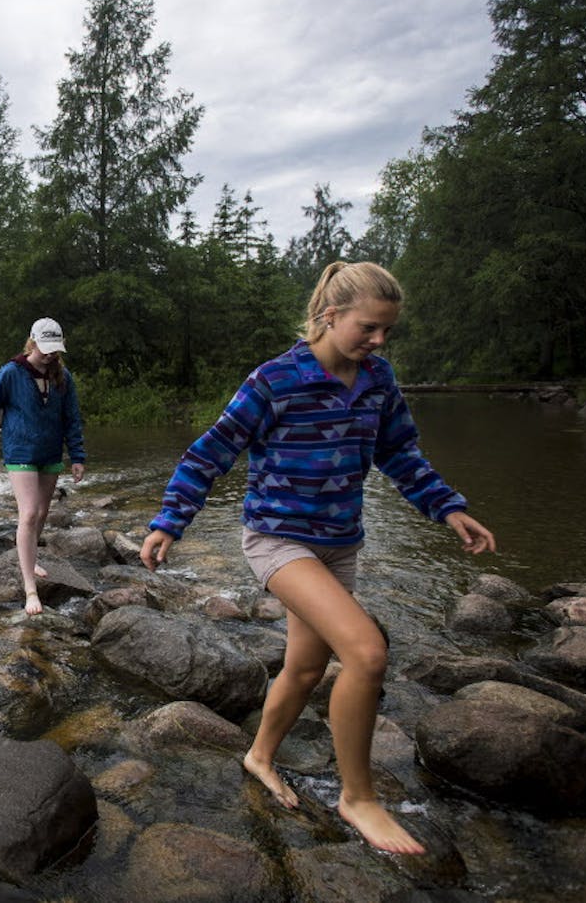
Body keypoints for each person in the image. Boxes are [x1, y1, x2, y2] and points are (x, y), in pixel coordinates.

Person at [139, 261, 496, 856]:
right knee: (366, 652)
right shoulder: (276, 379)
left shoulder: (378, 381)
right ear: (330, 316)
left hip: (339, 542)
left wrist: (447, 507)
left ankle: (259, 755)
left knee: (305, 669)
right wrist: (169, 521)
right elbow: (211, 451)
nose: (379, 341)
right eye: (369, 327)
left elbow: (401, 454)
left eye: (387, 331)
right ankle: (358, 798)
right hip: (277, 539)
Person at [0, 318, 87, 616]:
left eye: (55, 350)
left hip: (49, 451)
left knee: (43, 512)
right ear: (32, 343)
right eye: (45, 349)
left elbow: (72, 418)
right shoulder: (10, 373)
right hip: (19, 449)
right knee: (29, 512)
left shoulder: (63, 377)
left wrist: (78, 456)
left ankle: (30, 558)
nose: (50, 355)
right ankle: (30, 588)